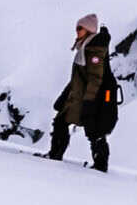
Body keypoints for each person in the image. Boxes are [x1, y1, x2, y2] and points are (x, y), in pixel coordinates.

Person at [47, 13, 116, 171]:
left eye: (80, 28)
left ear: (89, 30)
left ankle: (99, 165)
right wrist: (64, 96)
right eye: (77, 28)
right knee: (62, 122)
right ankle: (55, 154)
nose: (77, 31)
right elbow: (78, 78)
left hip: (88, 99)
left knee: (94, 131)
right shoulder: (86, 47)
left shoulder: (94, 50)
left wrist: (88, 102)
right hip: (78, 97)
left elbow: (95, 79)